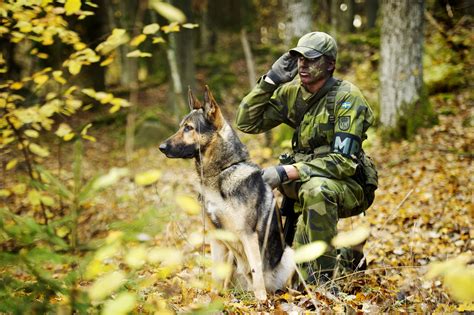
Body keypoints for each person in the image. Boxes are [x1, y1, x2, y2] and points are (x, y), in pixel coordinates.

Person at [236, 31, 377, 284]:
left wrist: (287, 172)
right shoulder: (291, 94)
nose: (303, 64)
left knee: (316, 189)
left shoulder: (347, 98)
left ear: (330, 64)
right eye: (299, 58)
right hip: (303, 181)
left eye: (311, 59)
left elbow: (344, 162)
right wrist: (270, 81)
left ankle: (324, 283)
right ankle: (345, 255)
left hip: (348, 184)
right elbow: (246, 122)